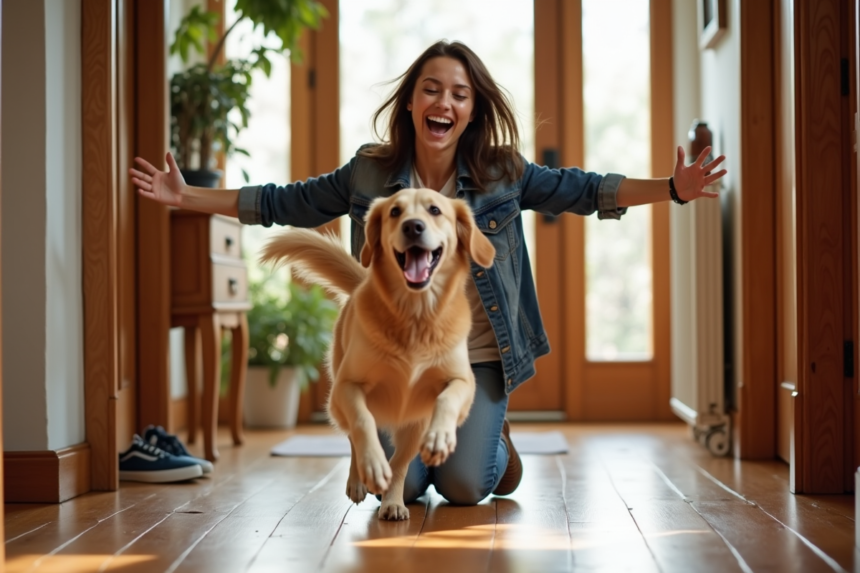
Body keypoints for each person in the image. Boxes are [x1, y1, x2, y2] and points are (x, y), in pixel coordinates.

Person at [130, 40, 726, 505]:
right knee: (406, 488)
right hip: (395, 357)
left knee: (465, 488)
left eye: (459, 94)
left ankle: (494, 441)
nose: (444, 103)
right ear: (411, 102)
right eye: (431, 90)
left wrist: (673, 189)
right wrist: (188, 199)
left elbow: (584, 190)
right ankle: (433, 441)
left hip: (476, 359)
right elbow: (288, 201)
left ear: (472, 110)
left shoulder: (500, 172)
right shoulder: (368, 175)